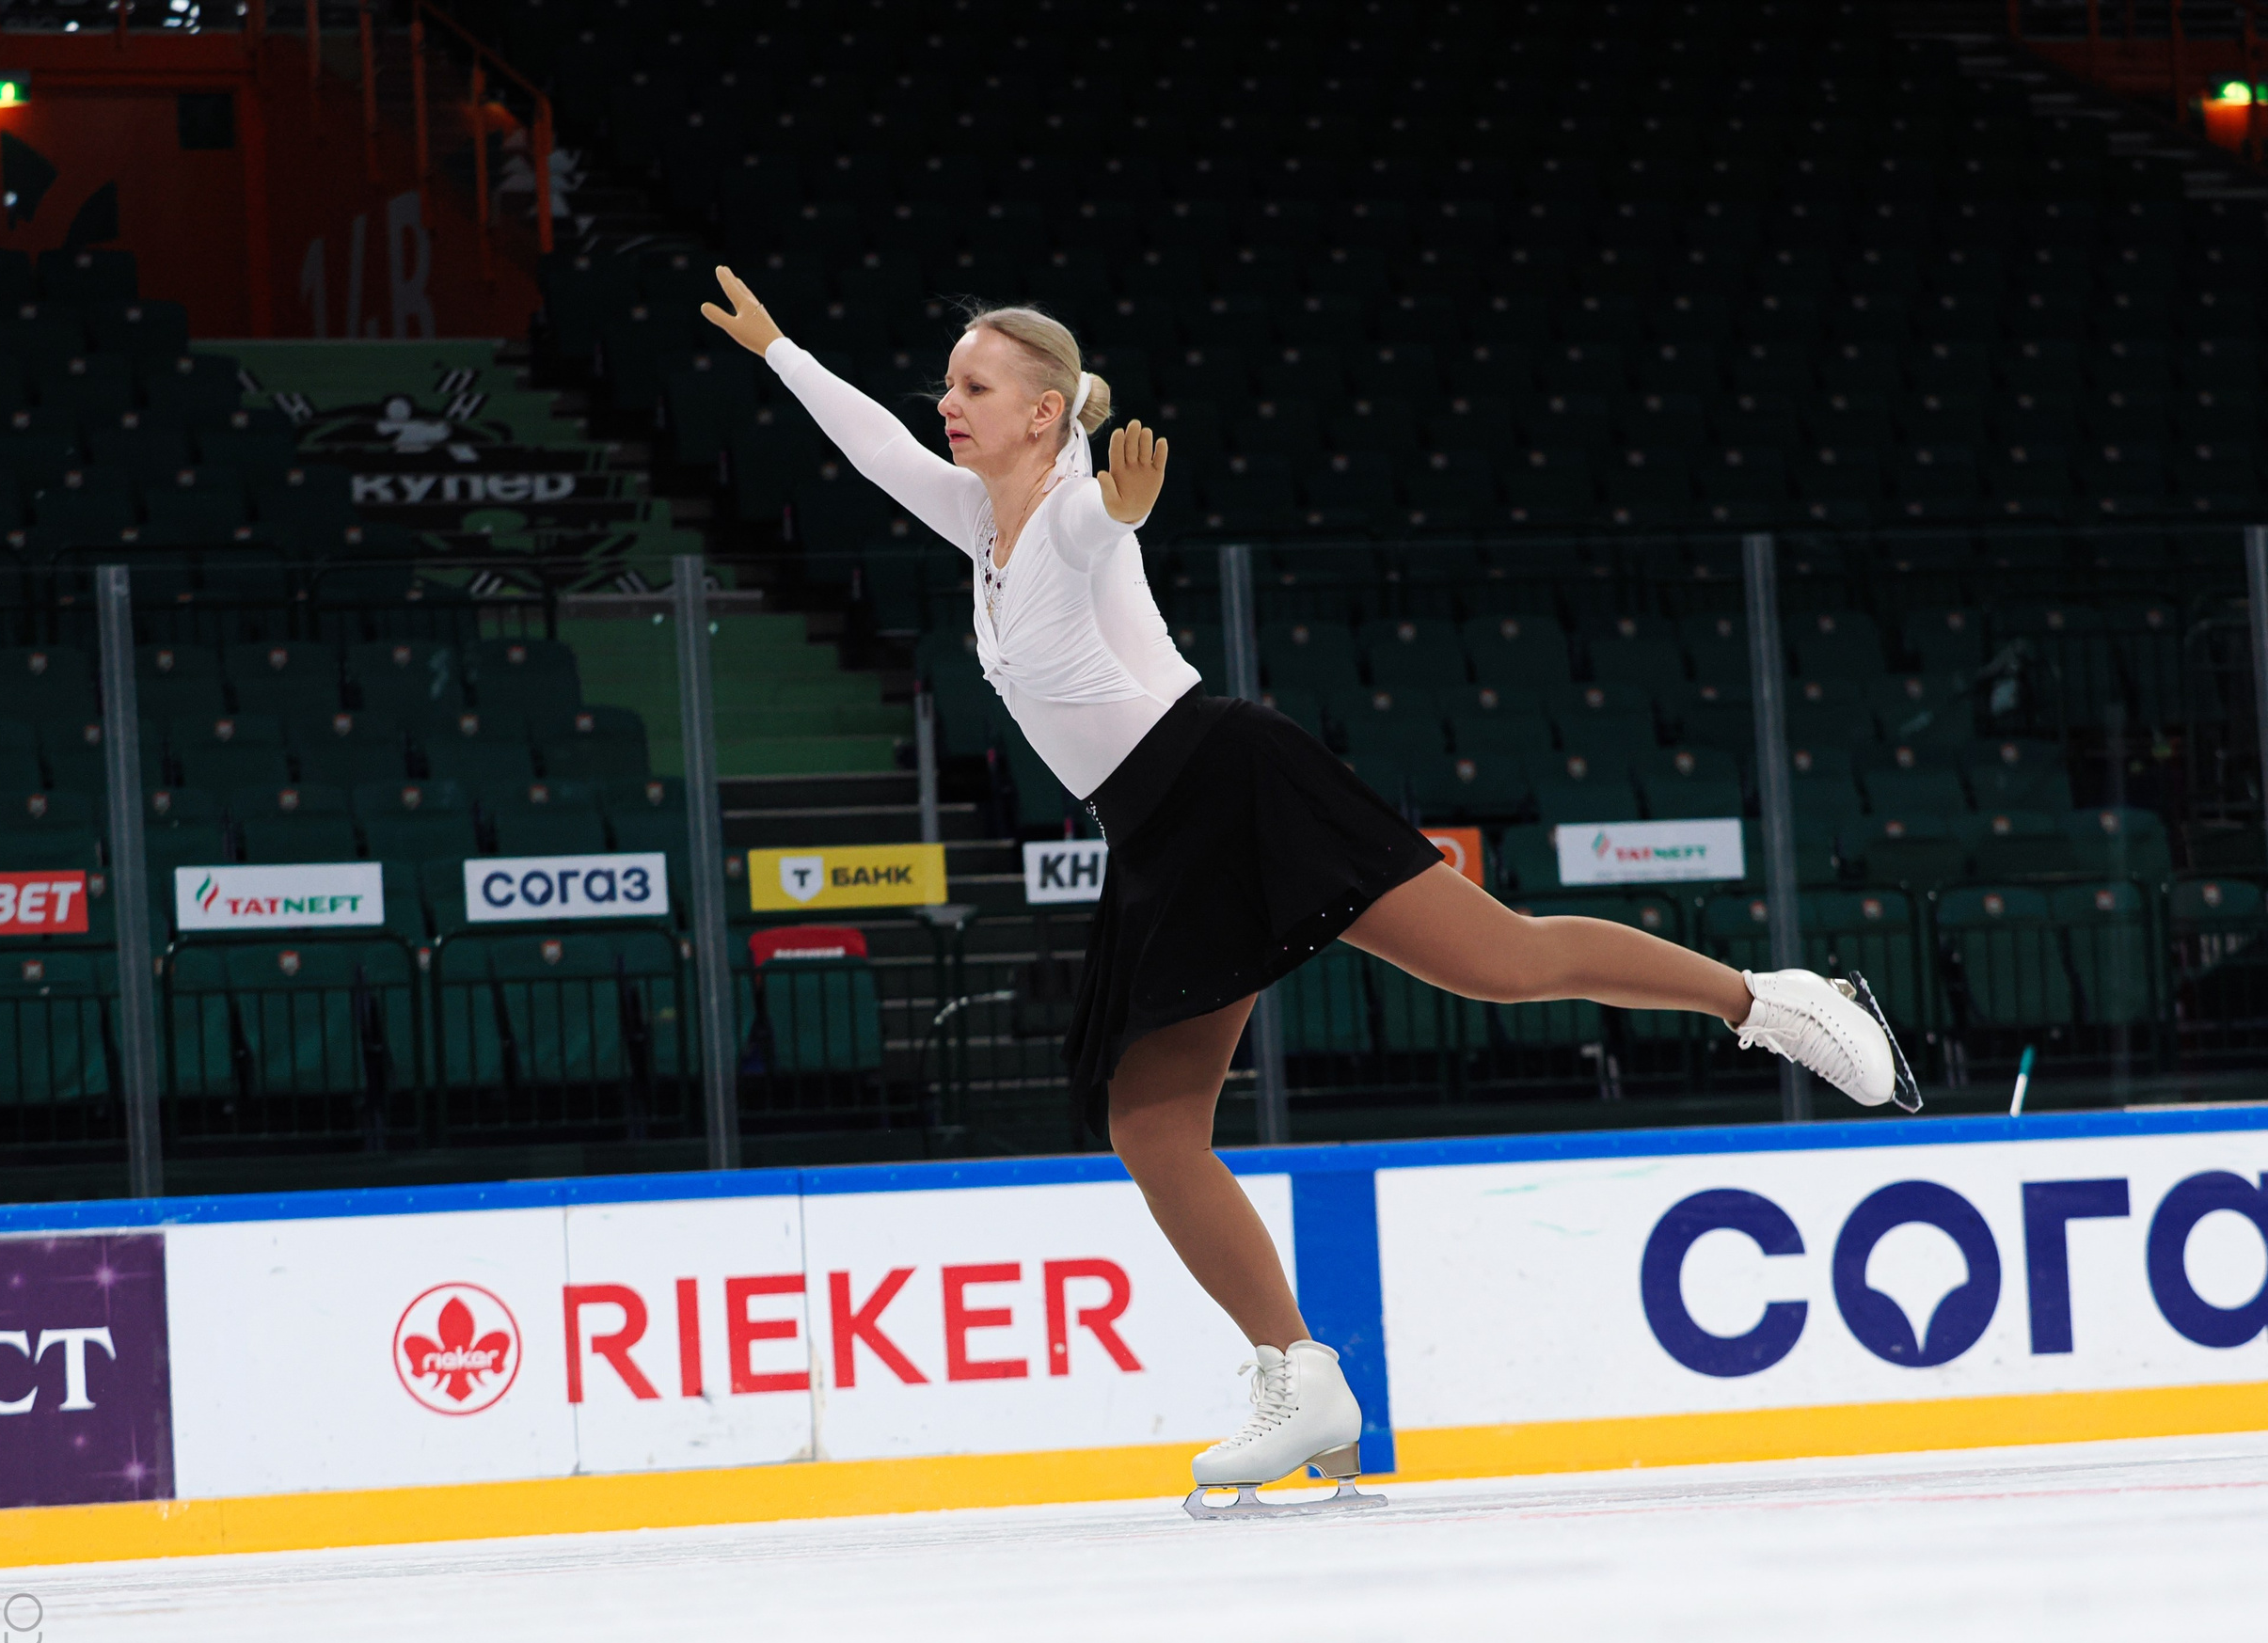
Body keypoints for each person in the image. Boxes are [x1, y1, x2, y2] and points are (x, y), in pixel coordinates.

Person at [701, 267, 1911, 1512]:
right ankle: (1298, 1373)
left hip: (1229, 782)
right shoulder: (977, 517)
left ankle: (1772, 1001)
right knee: (1152, 1126)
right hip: (1159, 826)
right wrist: (781, 349)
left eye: (973, 386)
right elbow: (873, 447)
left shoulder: (1064, 508)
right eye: (948, 383)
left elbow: (1097, 531)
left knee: (1501, 964)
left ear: (1047, 413)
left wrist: (1121, 514)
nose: (946, 402)